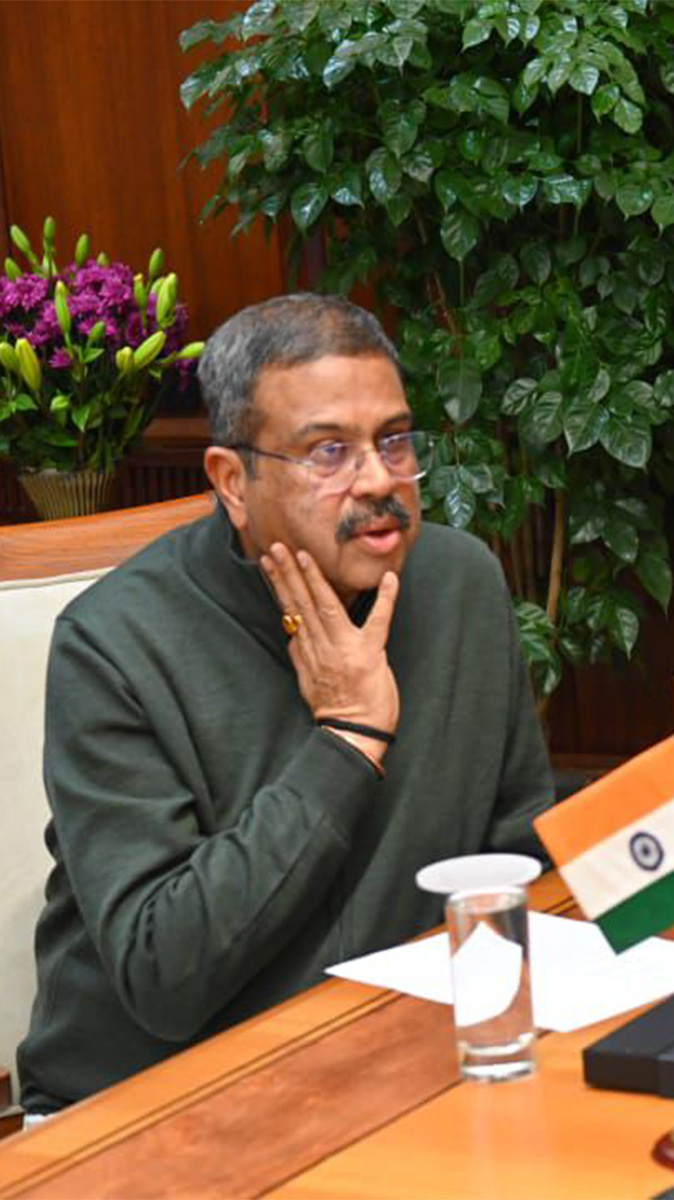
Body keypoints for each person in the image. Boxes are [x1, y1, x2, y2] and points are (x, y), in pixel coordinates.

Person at [18, 294, 553, 1115]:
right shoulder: (113, 644)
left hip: (392, 1064)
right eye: (329, 452)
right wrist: (346, 738)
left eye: (395, 441)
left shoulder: (458, 585)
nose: (378, 480)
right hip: (154, 1106)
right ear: (234, 481)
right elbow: (164, 978)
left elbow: (515, 862)